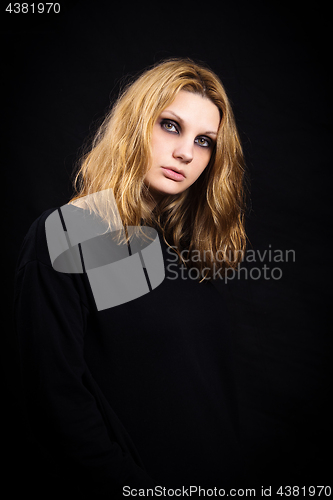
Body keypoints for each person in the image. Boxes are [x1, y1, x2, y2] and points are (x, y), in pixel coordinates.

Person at [13, 58, 248, 496]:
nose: (186, 153)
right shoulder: (72, 233)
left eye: (204, 141)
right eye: (171, 126)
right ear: (136, 124)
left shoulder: (181, 249)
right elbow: (55, 402)